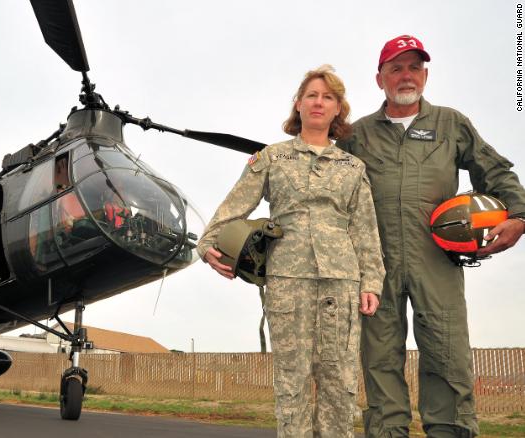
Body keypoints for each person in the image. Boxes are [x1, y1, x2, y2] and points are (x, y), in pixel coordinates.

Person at [338, 35, 525, 437]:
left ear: (425, 75)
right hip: (374, 266)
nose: (406, 76)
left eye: (414, 67)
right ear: (379, 78)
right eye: (396, 68)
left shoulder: (451, 123)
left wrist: (519, 215)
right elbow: (324, 183)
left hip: (436, 260)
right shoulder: (357, 134)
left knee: (446, 354)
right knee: (380, 359)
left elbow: (496, 173)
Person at [197, 65, 385, 437]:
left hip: (341, 285)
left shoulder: (353, 167)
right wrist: (207, 246)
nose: (319, 102)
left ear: (337, 111)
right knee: (292, 385)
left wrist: (372, 282)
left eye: (328, 97)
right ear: (298, 105)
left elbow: (364, 228)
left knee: (340, 386)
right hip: (287, 283)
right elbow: (233, 207)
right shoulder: (271, 158)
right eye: (312, 95)